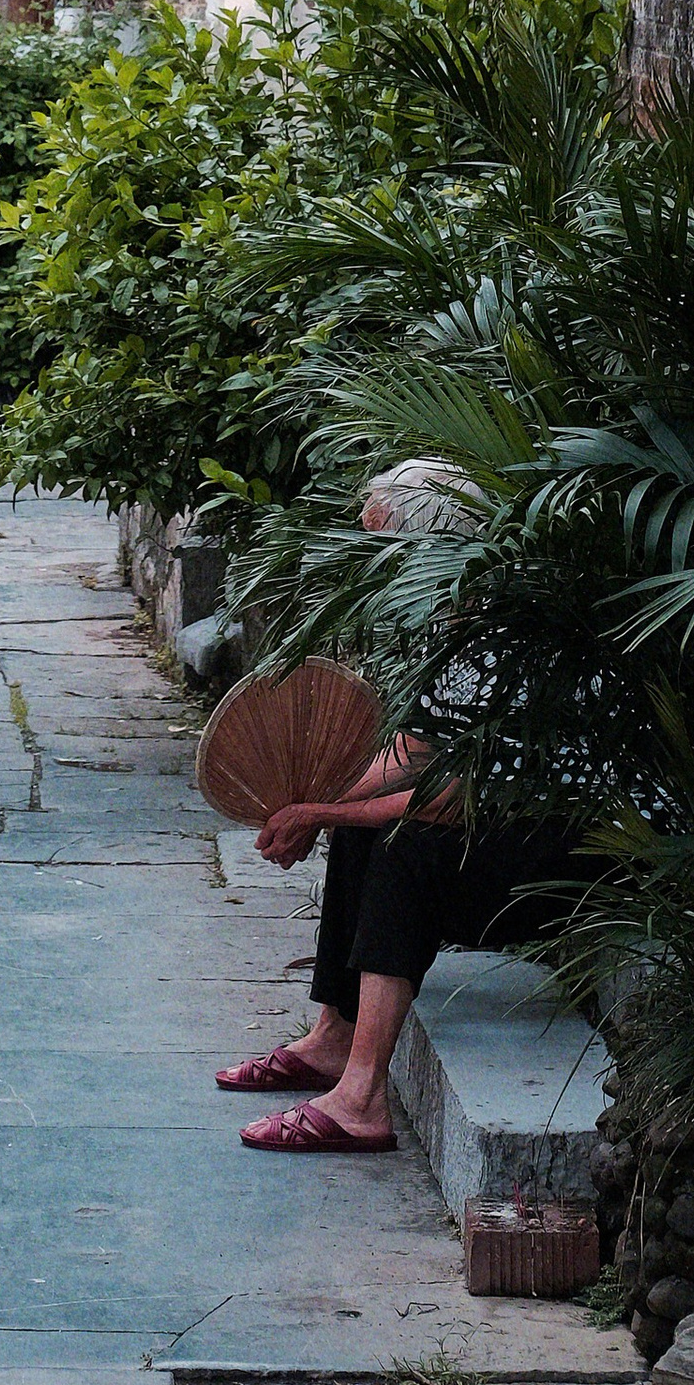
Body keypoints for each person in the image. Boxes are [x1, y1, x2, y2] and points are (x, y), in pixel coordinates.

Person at [217, 462, 581, 1156]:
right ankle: (334, 1036)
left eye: (387, 542)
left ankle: (361, 1101)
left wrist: (323, 814)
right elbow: (416, 749)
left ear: (432, 542)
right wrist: (313, 803)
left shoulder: (510, 634)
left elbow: (459, 799)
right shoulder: (453, 615)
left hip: (583, 860)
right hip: (515, 827)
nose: (375, 558)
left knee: (406, 845)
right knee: (364, 832)